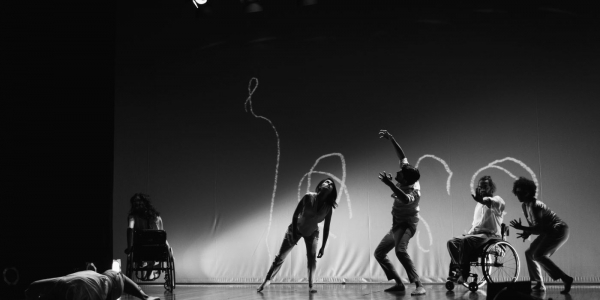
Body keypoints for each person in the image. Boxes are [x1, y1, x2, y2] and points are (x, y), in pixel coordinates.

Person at [257, 178, 338, 293]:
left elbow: (326, 227)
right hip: (296, 229)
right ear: (320, 186)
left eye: (331, 184)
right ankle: (267, 280)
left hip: (312, 233)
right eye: (327, 182)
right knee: (280, 256)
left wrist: (323, 246)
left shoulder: (328, 208)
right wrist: (294, 233)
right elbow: (295, 215)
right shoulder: (308, 197)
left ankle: (311, 285)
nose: (329, 184)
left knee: (312, 259)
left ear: (332, 191)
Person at [375, 129, 426, 296]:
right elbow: (402, 156)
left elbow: (405, 199)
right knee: (379, 253)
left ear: (405, 179)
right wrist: (392, 139)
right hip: (396, 224)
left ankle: (419, 285)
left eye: (399, 174)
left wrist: (390, 185)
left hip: (407, 225)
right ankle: (399, 283)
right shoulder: (408, 174)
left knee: (400, 251)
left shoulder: (414, 190)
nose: (397, 172)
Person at [509, 177, 573, 294]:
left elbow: (538, 228)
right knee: (529, 253)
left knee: (538, 255)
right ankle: (539, 284)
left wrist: (522, 228)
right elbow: (534, 226)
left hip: (559, 230)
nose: (517, 195)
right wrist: (526, 232)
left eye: (520, 192)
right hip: (548, 232)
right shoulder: (525, 205)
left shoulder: (535, 205)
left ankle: (566, 278)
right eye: (516, 192)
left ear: (528, 192)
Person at [446, 175, 505, 283]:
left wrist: (483, 200)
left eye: (485, 186)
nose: (482, 189)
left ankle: (464, 273)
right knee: (452, 242)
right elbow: (475, 224)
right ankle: (458, 269)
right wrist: (469, 233)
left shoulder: (497, 200)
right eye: (480, 187)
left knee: (466, 241)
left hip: (490, 236)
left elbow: (490, 201)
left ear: (491, 188)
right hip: (477, 235)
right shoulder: (478, 205)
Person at [25, 269, 159, 300]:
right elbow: (33, 287)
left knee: (116, 277)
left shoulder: (102, 286)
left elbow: (33, 287)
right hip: (99, 279)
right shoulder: (62, 286)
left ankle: (144, 297)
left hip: (105, 280)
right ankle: (144, 297)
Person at [125, 193, 171, 280]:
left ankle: (147, 269)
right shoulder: (157, 217)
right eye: (135, 202)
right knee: (154, 246)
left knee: (147, 246)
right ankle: (149, 271)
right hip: (155, 249)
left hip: (144, 249)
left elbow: (130, 229)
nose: (137, 204)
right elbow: (161, 234)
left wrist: (129, 247)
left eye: (138, 201)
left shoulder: (133, 217)